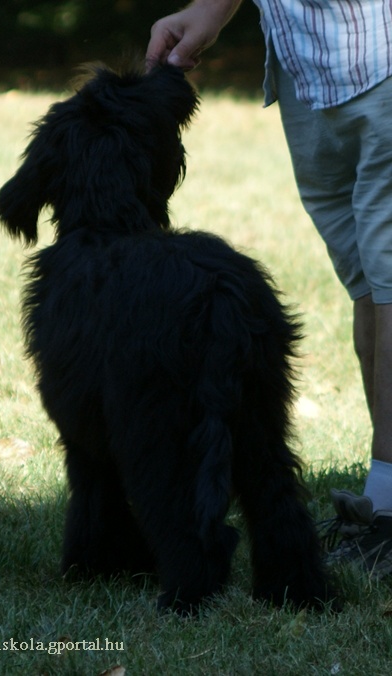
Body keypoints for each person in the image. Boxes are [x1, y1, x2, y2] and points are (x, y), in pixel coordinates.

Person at [146, 0, 392, 578]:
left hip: (380, 53)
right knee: (371, 286)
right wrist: (210, 10)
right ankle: (382, 502)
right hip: (308, 66)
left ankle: (388, 514)